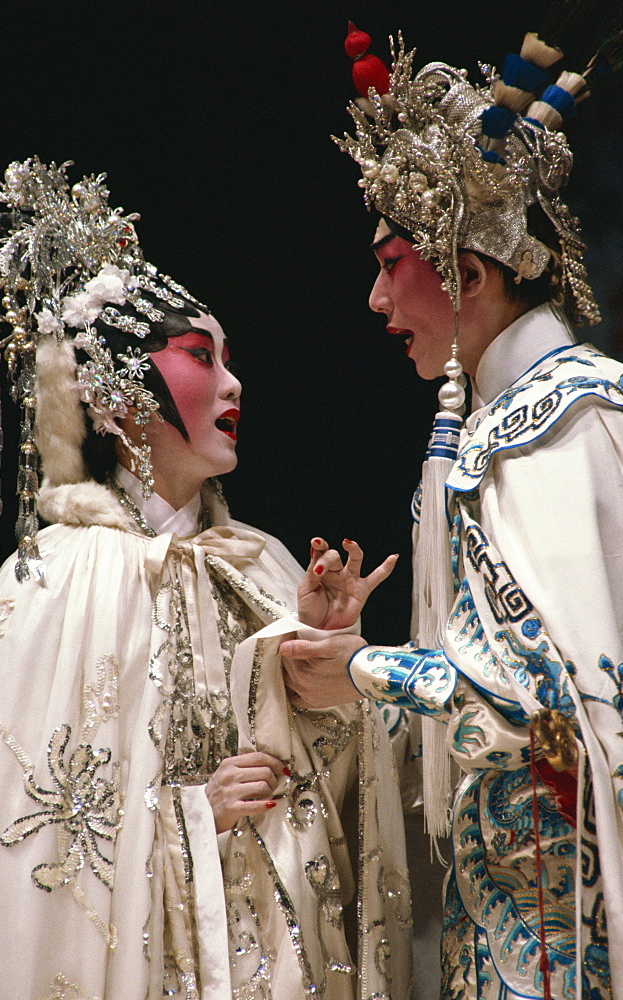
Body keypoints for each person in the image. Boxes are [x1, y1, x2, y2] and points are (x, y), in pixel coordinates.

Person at [0, 158, 412, 1000]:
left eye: (228, 358)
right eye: (202, 356)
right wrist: (197, 810)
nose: (233, 382)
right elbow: (30, 845)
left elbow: (347, 804)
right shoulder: (55, 579)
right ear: (114, 394)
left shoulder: (265, 565)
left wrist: (324, 659)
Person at [282, 19, 623, 1000]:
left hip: (569, 936)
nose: (374, 298)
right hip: (507, 933)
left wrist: (362, 668)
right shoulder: (502, 424)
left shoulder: (561, 416)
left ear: (467, 273)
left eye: (393, 262)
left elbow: (556, 696)